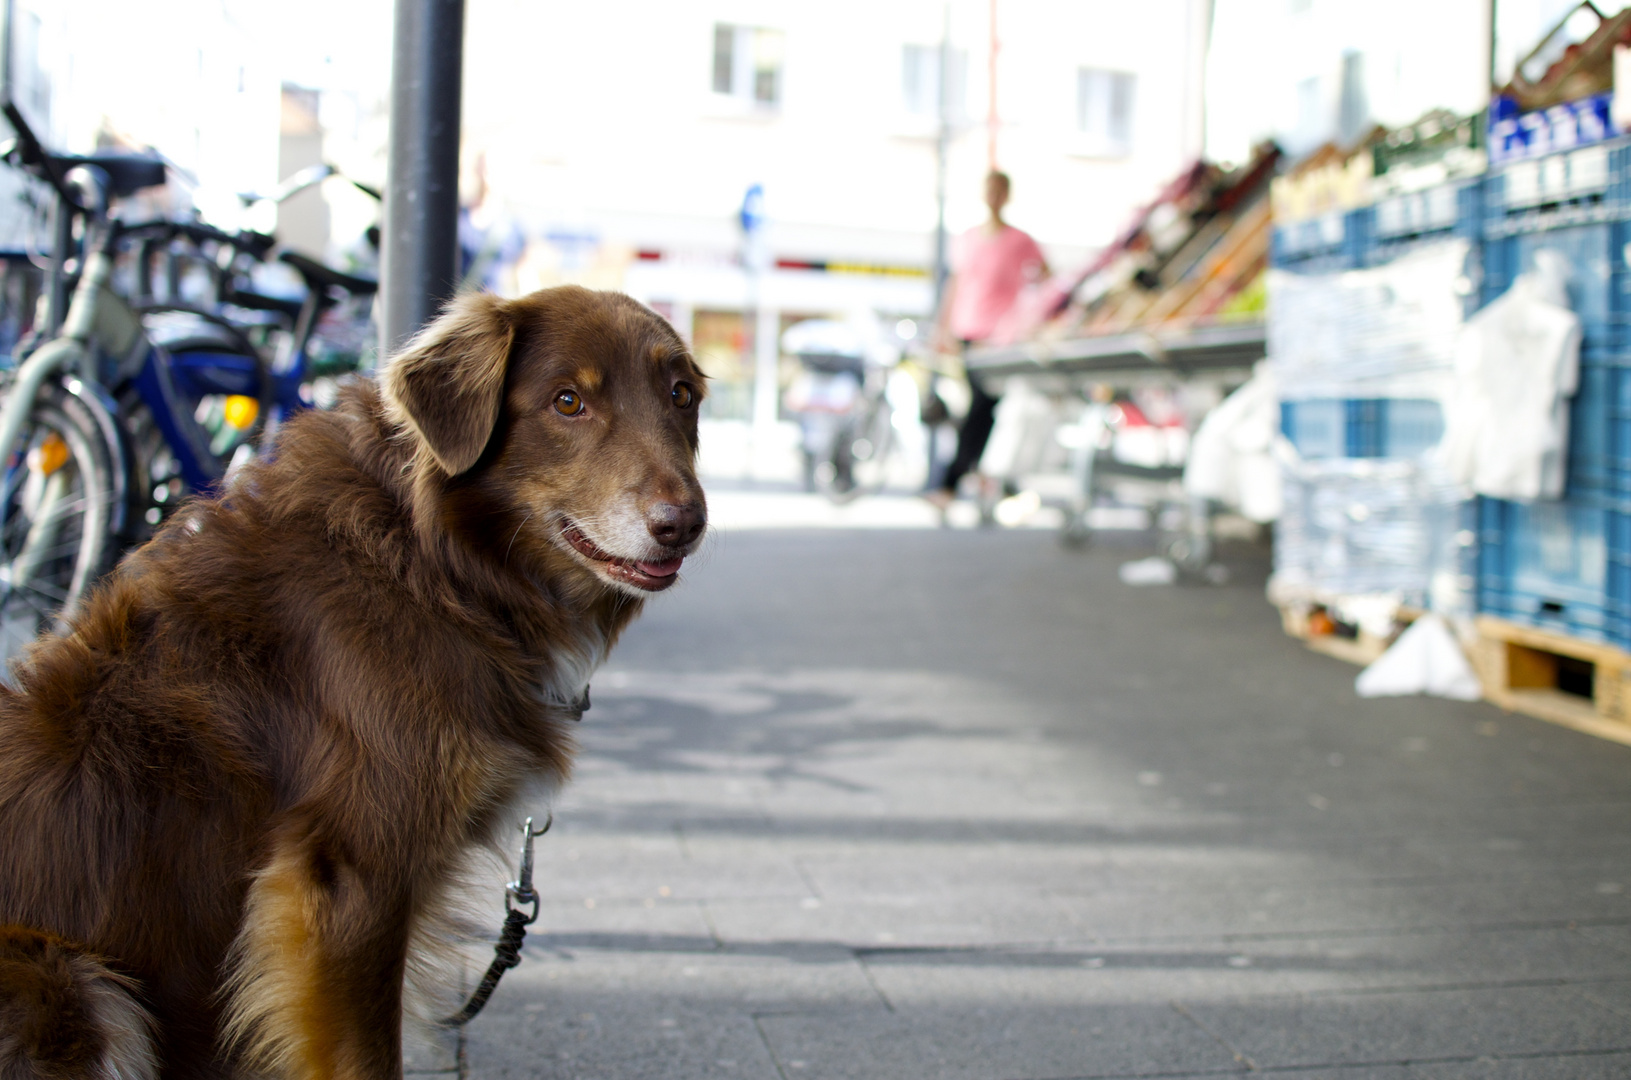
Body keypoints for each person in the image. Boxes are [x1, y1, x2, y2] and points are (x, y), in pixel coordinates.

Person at [927, 170, 1049, 509]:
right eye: (989, 190)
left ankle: (953, 483)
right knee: (982, 408)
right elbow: (955, 284)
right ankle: (982, 474)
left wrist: (1028, 320)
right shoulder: (967, 238)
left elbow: (1045, 279)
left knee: (983, 405)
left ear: (1007, 195)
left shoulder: (1021, 241)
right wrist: (943, 328)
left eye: (999, 191)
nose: (993, 196)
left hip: (1000, 337)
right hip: (968, 331)